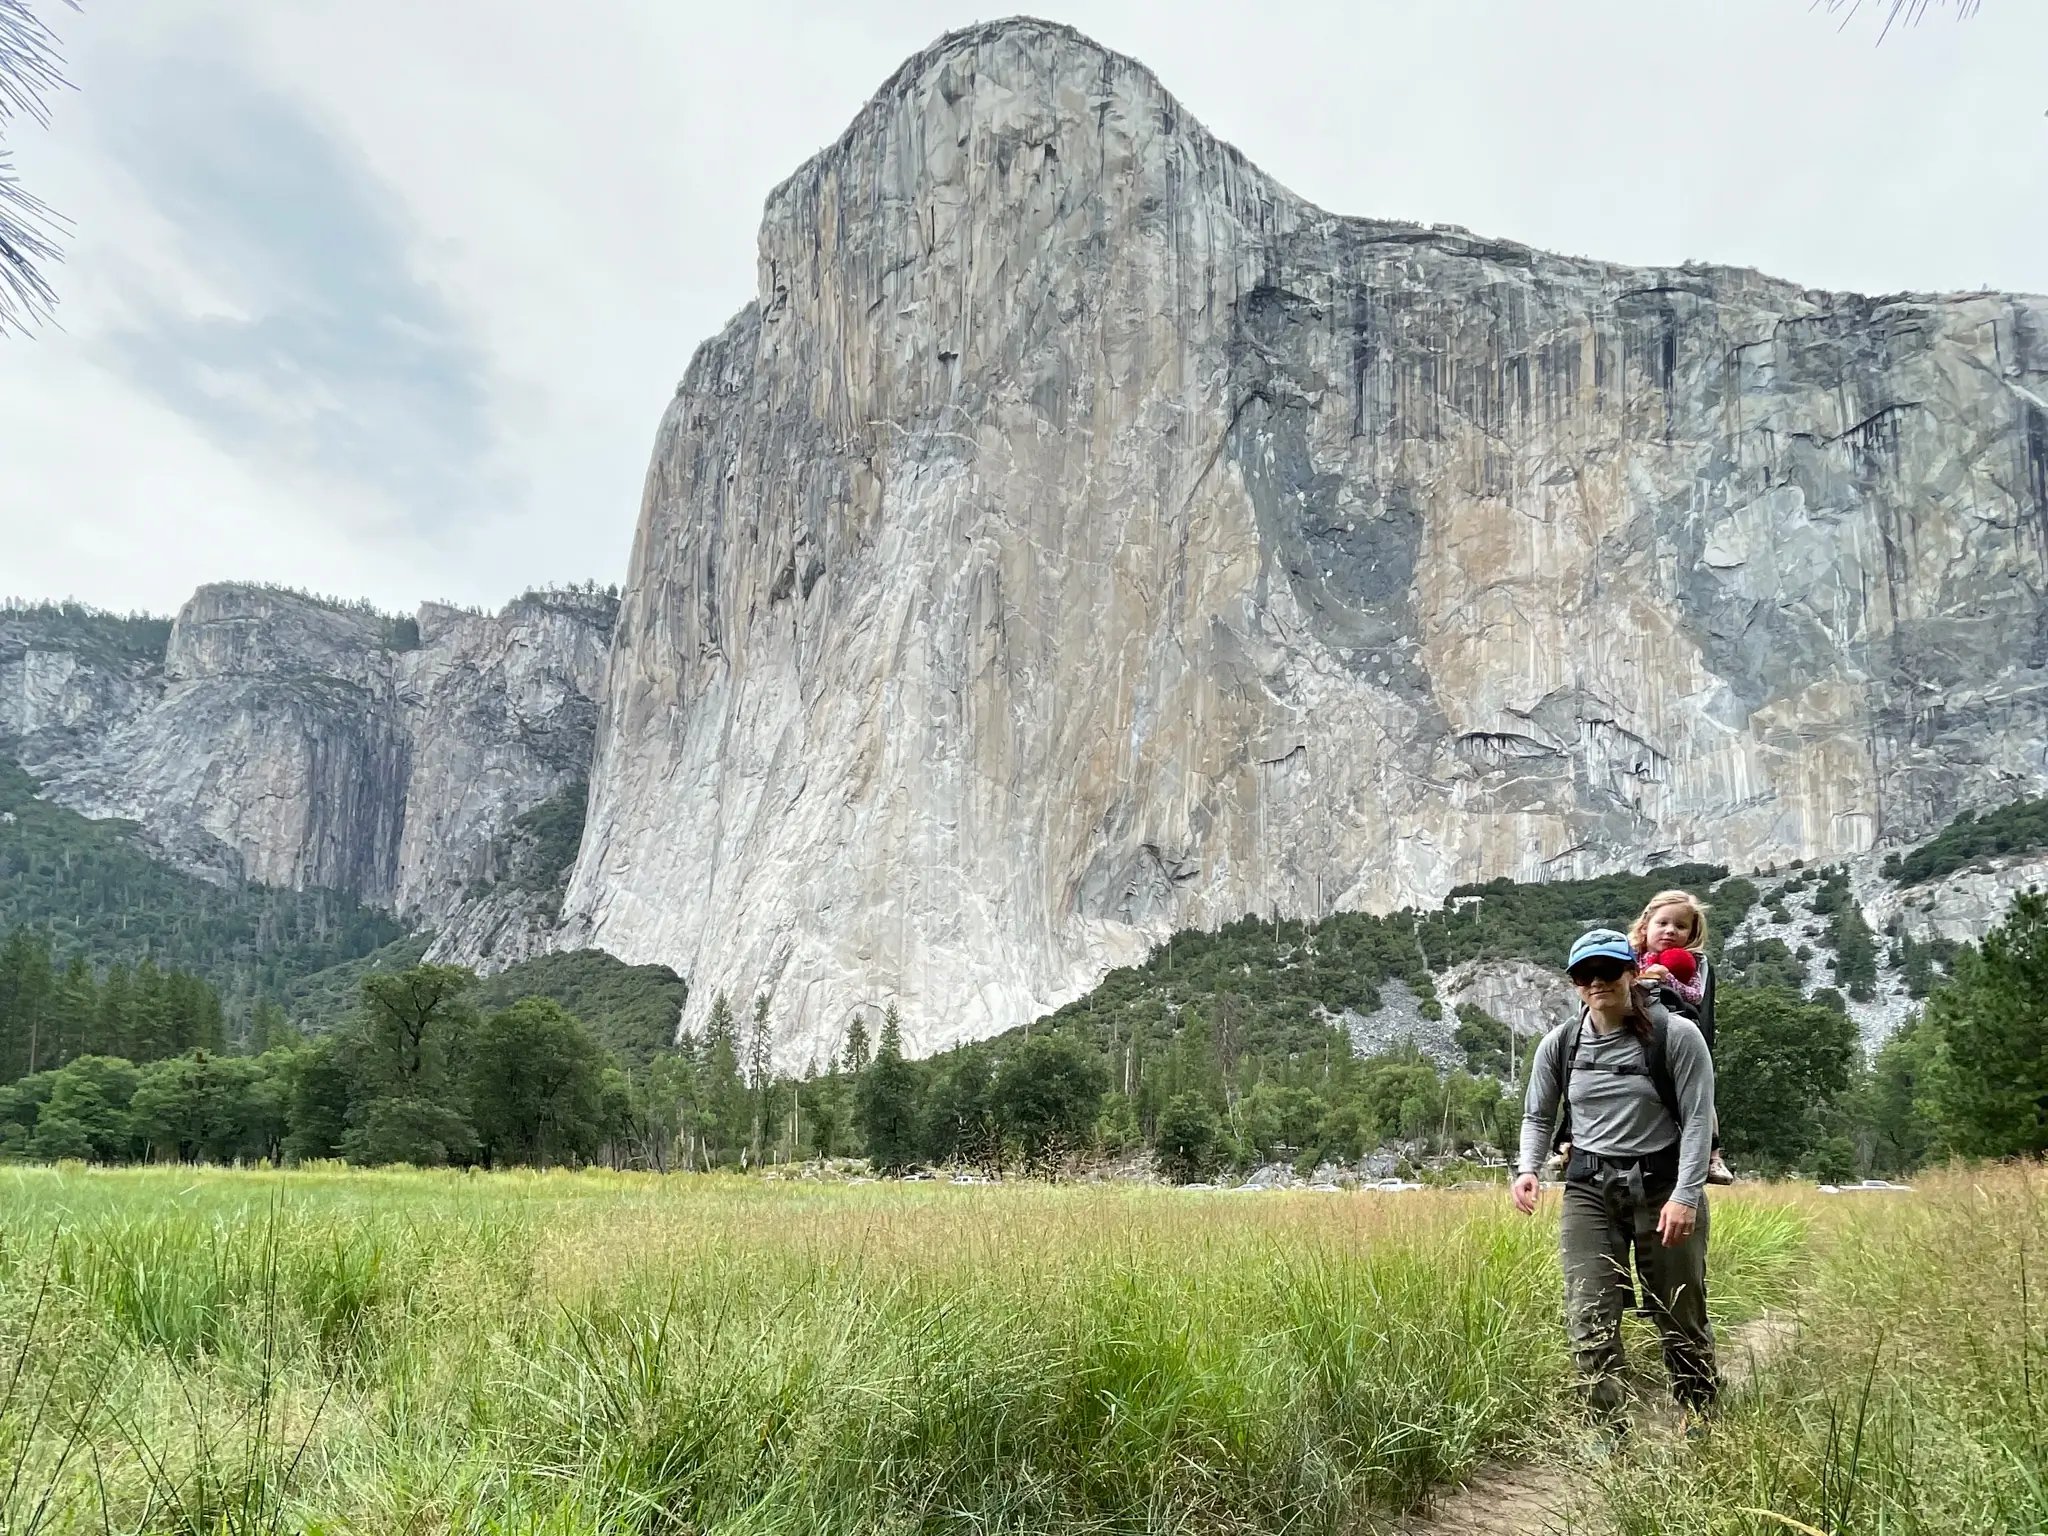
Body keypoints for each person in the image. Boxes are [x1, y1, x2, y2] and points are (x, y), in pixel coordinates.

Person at [1513, 928, 1719, 1432]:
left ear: (1632, 972)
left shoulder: (1677, 1036)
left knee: (1680, 1316)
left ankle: (1702, 1419)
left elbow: (1698, 1119)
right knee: (1590, 1316)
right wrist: (1527, 1169)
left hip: (1665, 1184)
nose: (1597, 982)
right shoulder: (1559, 1044)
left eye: (1608, 971)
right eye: (1585, 974)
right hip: (1589, 1189)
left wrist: (1686, 1195)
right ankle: (1609, 1436)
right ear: (1575, 983)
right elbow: (1538, 1116)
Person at [1628, 889, 1736, 1187]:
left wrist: (1667, 978)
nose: (1670, 931)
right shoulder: (1629, 955)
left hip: (1678, 1033)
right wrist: (1645, 976)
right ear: (1646, 924)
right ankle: (1571, 1142)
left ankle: (1713, 1155)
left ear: (1691, 933)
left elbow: (1696, 996)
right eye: (1662, 923)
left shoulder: (1694, 963)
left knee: (1701, 1095)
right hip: (1633, 1034)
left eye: (1680, 926)